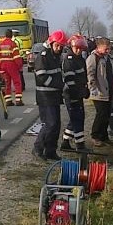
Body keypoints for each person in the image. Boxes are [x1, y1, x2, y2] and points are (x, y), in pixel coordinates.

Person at [33, 30, 67, 160]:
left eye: (61, 46)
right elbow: (42, 76)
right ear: (52, 43)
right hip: (45, 96)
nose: (59, 48)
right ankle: (38, 148)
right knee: (50, 124)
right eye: (57, 45)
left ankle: (51, 151)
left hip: (54, 96)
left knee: (56, 124)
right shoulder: (43, 56)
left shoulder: (55, 56)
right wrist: (59, 85)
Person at [87, 37, 113, 147]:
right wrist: (93, 87)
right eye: (105, 49)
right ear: (99, 47)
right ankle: (95, 135)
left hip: (109, 90)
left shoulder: (107, 58)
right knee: (101, 114)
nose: (107, 51)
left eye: (108, 49)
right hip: (99, 91)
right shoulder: (93, 58)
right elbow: (90, 74)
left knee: (106, 115)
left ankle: (104, 136)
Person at [61, 34, 89, 151]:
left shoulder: (80, 59)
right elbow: (69, 80)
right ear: (71, 47)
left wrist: (85, 89)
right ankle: (80, 144)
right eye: (76, 48)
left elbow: (83, 76)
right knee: (77, 118)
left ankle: (66, 141)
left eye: (80, 48)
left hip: (78, 93)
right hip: (71, 94)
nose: (78, 50)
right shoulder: (69, 60)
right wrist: (77, 93)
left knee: (77, 117)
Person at [0, 29, 23, 106]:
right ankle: (18, 100)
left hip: (3, 65)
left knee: (6, 83)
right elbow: (17, 57)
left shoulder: (0, 44)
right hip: (12, 65)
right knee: (17, 82)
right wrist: (19, 66)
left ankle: (8, 100)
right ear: (11, 35)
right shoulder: (13, 44)